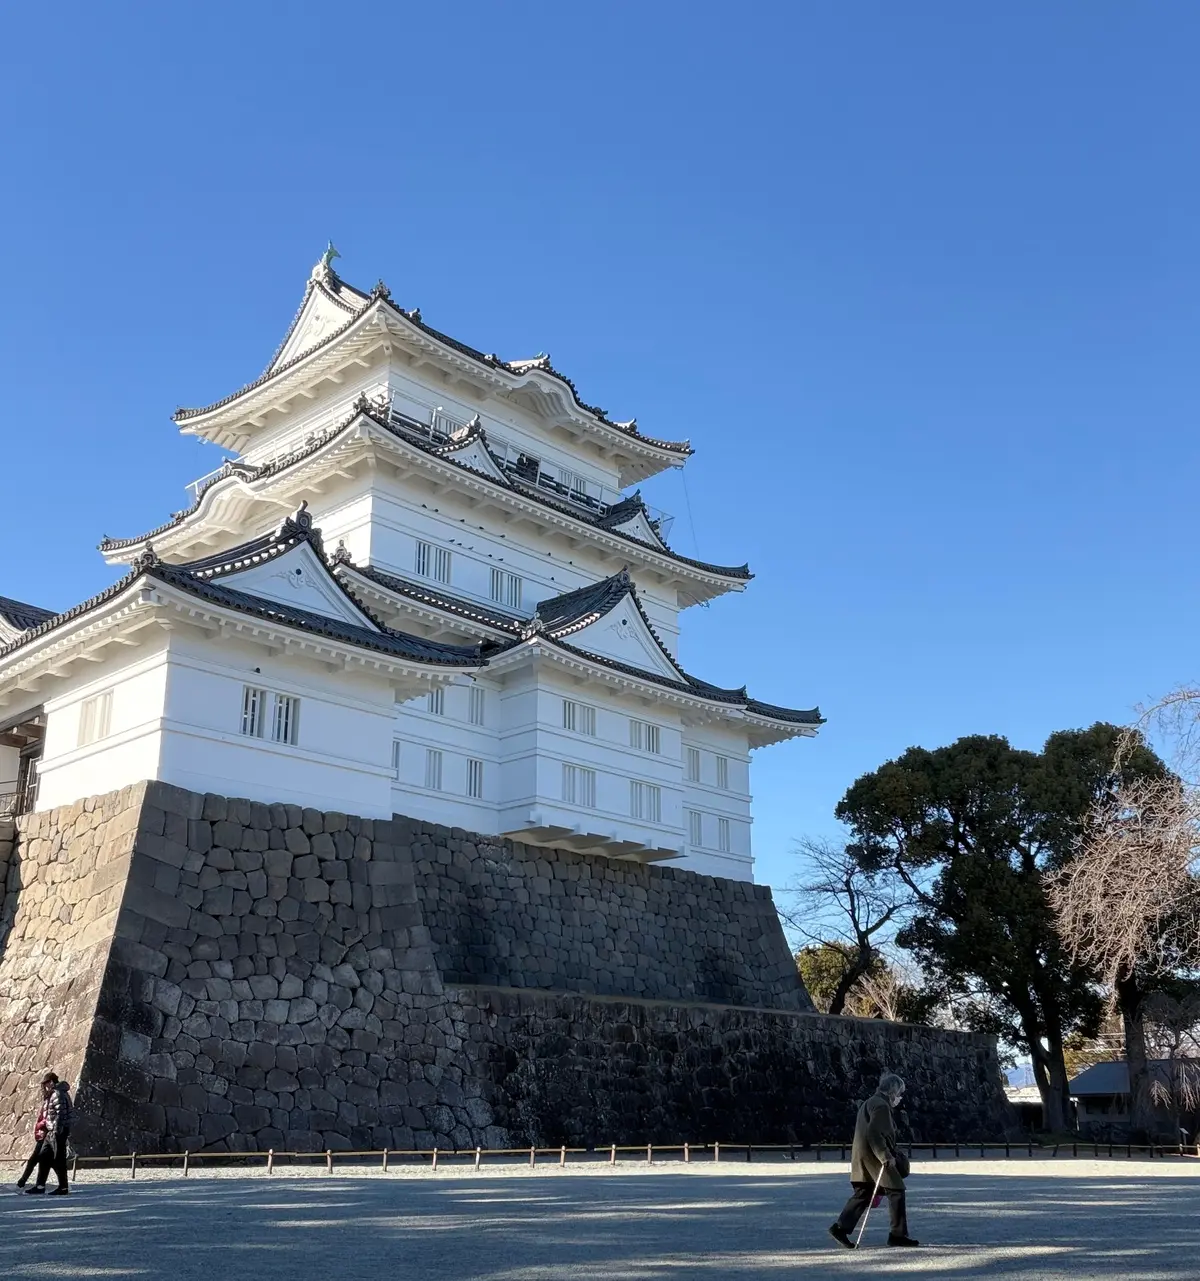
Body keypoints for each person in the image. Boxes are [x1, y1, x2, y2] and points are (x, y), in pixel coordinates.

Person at [829, 1072, 920, 1248]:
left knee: (864, 1192)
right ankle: (897, 1235)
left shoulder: (869, 1102)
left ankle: (840, 1227)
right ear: (892, 1091)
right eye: (899, 1093)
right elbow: (874, 1134)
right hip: (875, 1157)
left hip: (863, 1155)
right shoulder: (881, 1106)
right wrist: (885, 1155)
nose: (900, 1098)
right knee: (896, 1190)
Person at [27, 1077, 72, 1196]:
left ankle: (63, 1187)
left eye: (46, 1084)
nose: (45, 1087)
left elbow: (60, 1112)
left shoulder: (58, 1093)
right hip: (51, 1130)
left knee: (59, 1159)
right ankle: (40, 1185)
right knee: (43, 1156)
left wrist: (57, 1129)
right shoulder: (54, 1093)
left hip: (57, 1131)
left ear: (51, 1082)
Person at [15, 1073, 56, 1191]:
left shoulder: (54, 1096)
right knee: (42, 1160)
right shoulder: (48, 1097)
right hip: (43, 1132)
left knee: (42, 1160)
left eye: (47, 1083)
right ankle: (29, 1182)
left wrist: (42, 1124)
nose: (46, 1086)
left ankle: (26, 1182)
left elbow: (51, 1115)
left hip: (47, 1133)